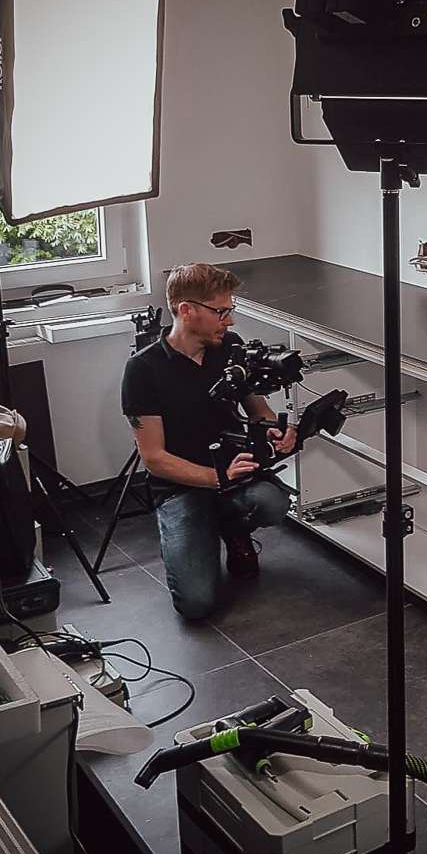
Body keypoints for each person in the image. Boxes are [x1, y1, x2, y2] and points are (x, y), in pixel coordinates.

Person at [120, 264, 295, 619]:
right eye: (221, 311)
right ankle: (196, 533)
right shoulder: (143, 370)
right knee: (196, 604)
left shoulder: (230, 346)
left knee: (273, 503)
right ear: (187, 310)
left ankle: (233, 529)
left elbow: (258, 409)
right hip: (181, 488)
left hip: (235, 474)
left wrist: (275, 429)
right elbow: (154, 458)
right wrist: (216, 478)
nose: (229, 320)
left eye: (230, 310)